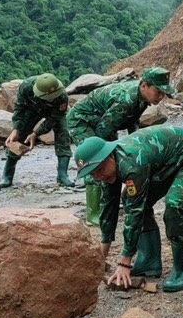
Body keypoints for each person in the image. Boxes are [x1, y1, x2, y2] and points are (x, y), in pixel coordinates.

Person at [72, 125, 183, 293]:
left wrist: (124, 262)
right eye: (92, 174)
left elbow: (135, 212)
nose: (99, 176)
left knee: (175, 204)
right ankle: (149, 261)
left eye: (100, 170)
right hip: (167, 162)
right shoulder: (108, 168)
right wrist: (102, 255)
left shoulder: (132, 164)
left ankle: (180, 270)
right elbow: (108, 209)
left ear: (110, 156)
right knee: (128, 197)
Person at [66, 67, 175, 229]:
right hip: (82, 121)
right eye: (158, 91)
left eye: (163, 93)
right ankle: (93, 214)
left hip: (102, 121)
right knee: (95, 162)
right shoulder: (127, 100)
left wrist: (138, 146)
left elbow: (132, 121)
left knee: (113, 160)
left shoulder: (141, 98)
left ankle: (108, 205)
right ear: (144, 86)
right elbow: (104, 130)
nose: (161, 97)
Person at [0, 73, 73, 189]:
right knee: (19, 136)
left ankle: (63, 175)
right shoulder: (26, 87)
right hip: (31, 110)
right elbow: (20, 107)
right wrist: (16, 129)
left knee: (63, 133)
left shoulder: (61, 96)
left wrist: (36, 134)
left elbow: (54, 118)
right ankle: (7, 175)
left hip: (53, 113)